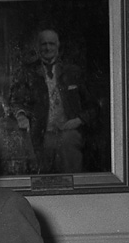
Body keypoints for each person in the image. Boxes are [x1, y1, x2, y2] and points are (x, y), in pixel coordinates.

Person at [8, 28, 98, 174]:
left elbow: (93, 106)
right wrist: (21, 116)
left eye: (51, 44)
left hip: (69, 132)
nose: (48, 48)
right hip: (40, 133)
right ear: (38, 47)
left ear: (58, 46)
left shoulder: (73, 72)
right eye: (44, 44)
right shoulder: (27, 72)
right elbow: (16, 100)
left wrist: (78, 120)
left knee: (68, 147)